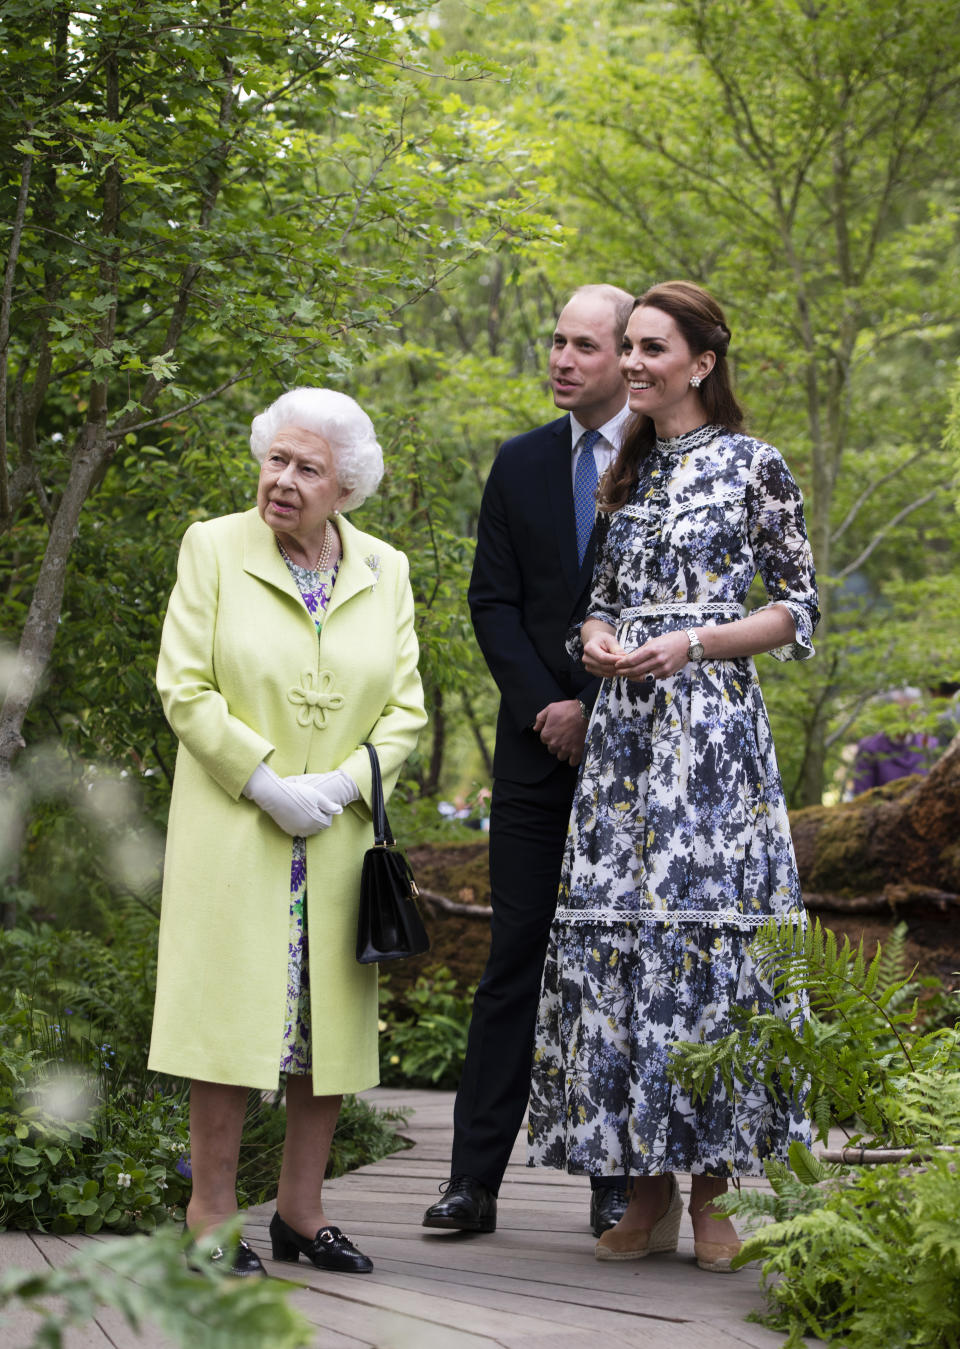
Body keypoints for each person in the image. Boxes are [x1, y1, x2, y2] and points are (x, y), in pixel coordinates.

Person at [527, 281, 819, 1272]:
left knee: (709, 959)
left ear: (702, 361)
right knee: (627, 957)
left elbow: (797, 612)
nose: (635, 363)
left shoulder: (755, 466)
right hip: (623, 754)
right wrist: (602, 639)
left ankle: (715, 1194)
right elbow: (599, 604)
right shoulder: (630, 470)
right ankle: (642, 1190)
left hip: (711, 747)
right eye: (632, 348)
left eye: (653, 349)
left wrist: (692, 643)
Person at [149, 388, 426, 1276]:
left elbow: (406, 708)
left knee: (324, 1032)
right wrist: (265, 782)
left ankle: (302, 1213)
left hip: (338, 838)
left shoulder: (386, 568)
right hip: (240, 827)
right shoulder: (214, 547)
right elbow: (184, 686)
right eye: (277, 459)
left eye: (308, 468)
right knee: (230, 1025)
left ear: (345, 485)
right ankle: (210, 1214)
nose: (284, 480)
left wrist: (346, 783)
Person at [423, 284, 634, 1238]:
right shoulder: (518, 464)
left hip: (636, 758)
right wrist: (549, 706)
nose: (561, 358)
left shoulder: (671, 464)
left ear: (628, 356)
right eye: (556, 340)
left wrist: (598, 708)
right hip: (533, 757)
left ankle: (615, 1182)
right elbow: (491, 603)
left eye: (583, 345)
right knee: (515, 958)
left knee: (614, 967)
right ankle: (472, 1184)